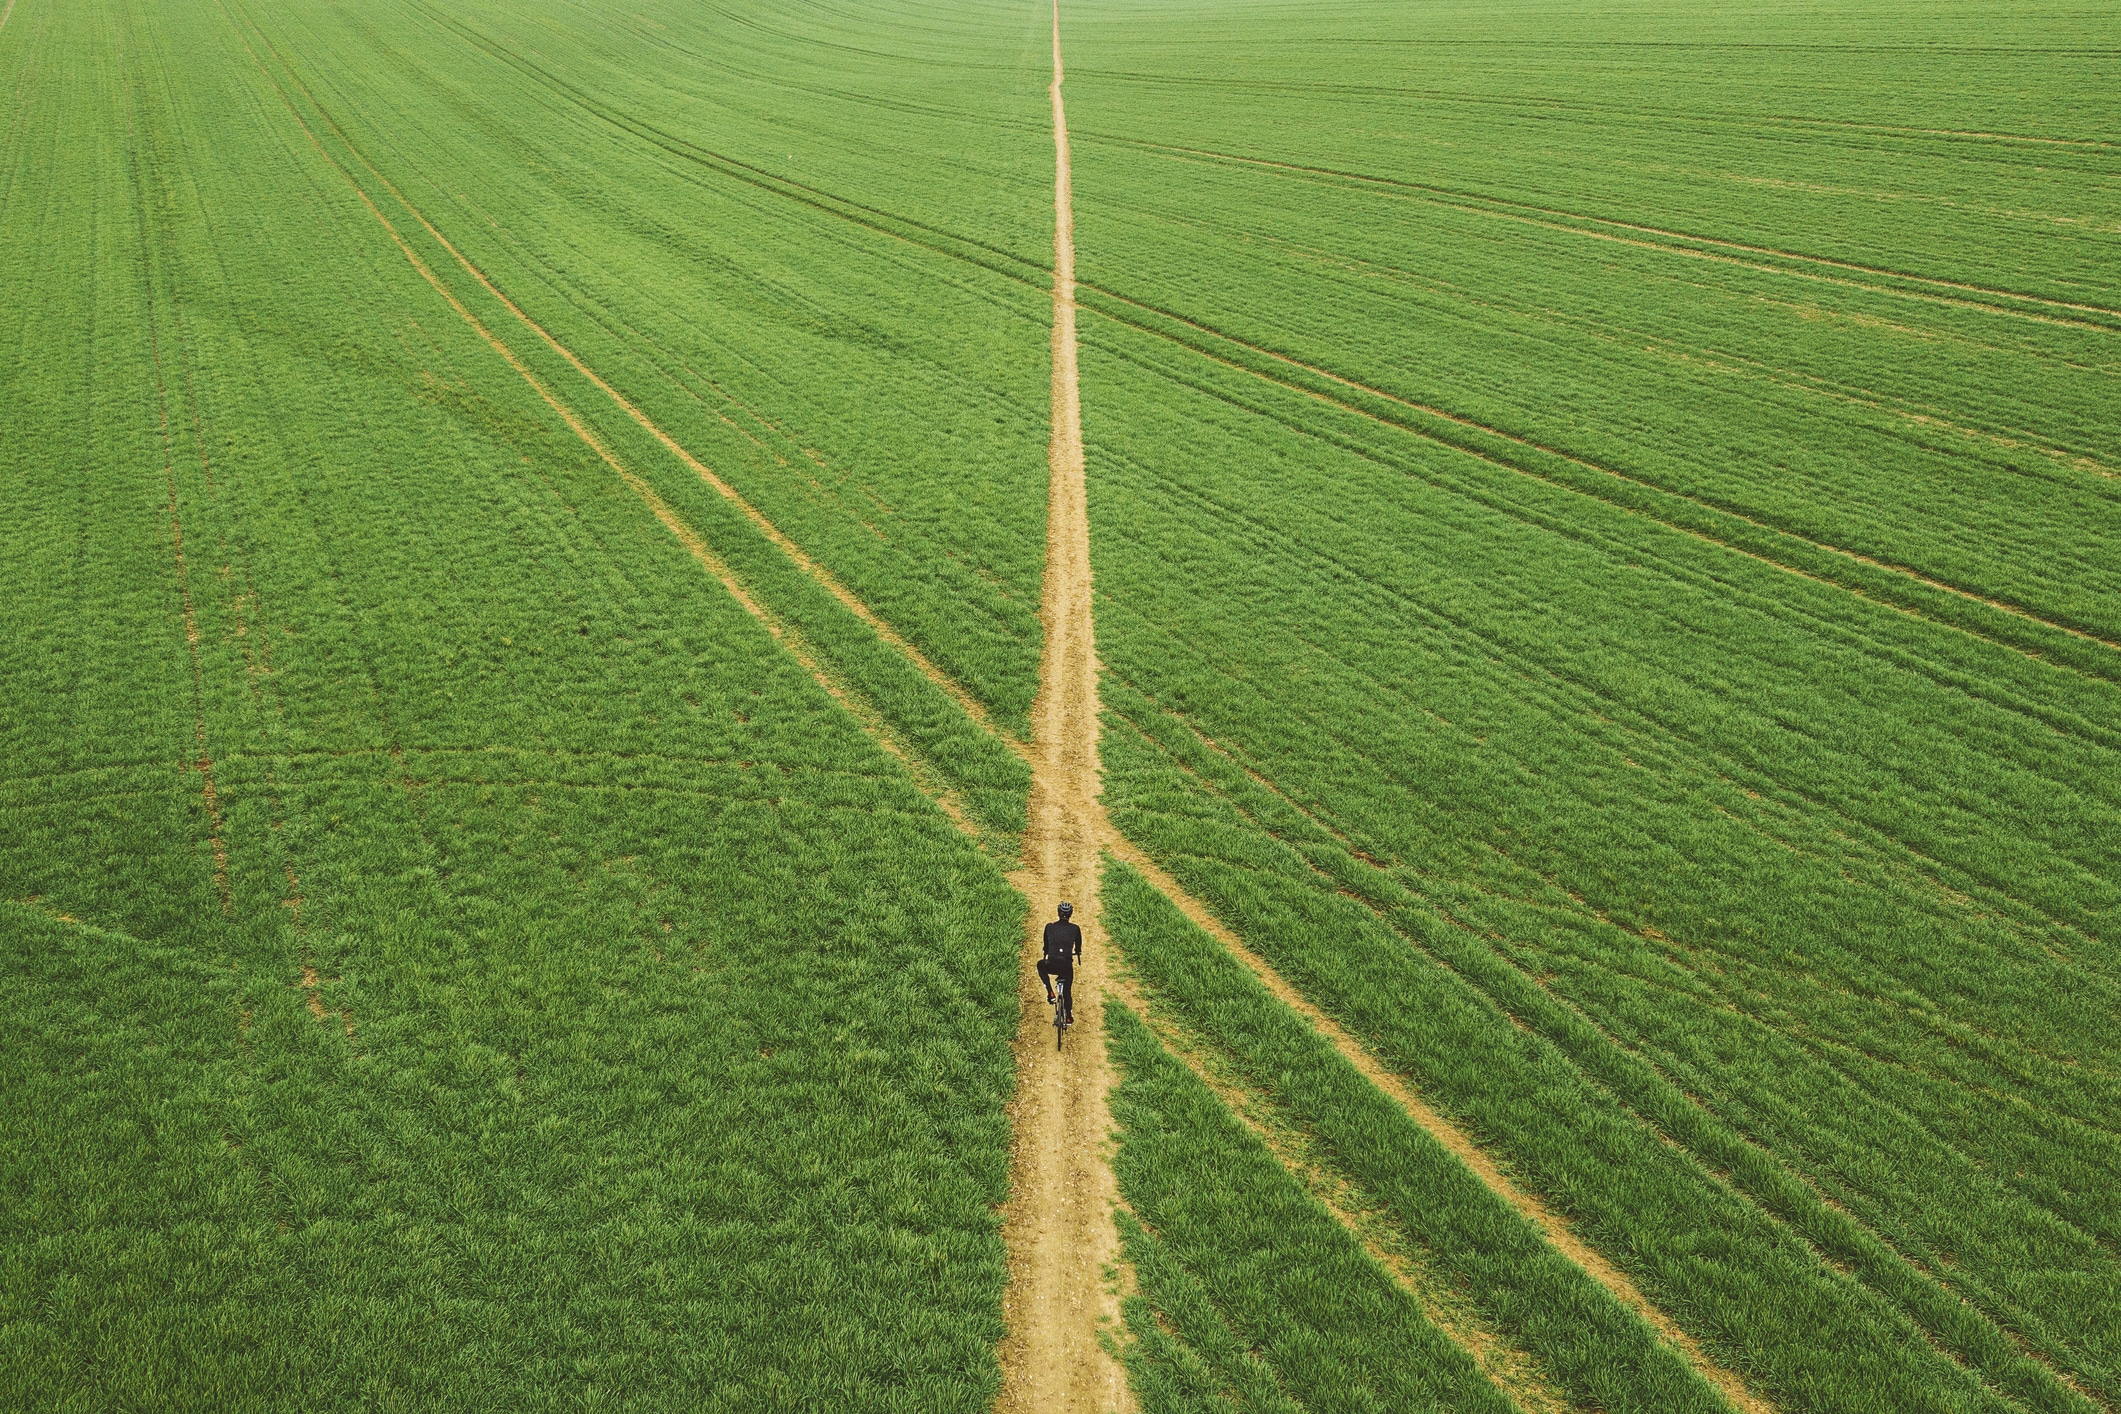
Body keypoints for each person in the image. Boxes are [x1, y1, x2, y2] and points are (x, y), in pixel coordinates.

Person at [1038, 901, 1082, 1024]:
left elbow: (1046, 945)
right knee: (1067, 991)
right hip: (1066, 966)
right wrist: (1077, 952)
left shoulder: (1049, 926)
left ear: (1058, 913)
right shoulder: (1075, 928)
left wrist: (1047, 952)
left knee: (1040, 965)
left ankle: (1050, 993)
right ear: (1071, 914)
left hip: (1052, 964)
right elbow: (1078, 947)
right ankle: (1068, 1017)